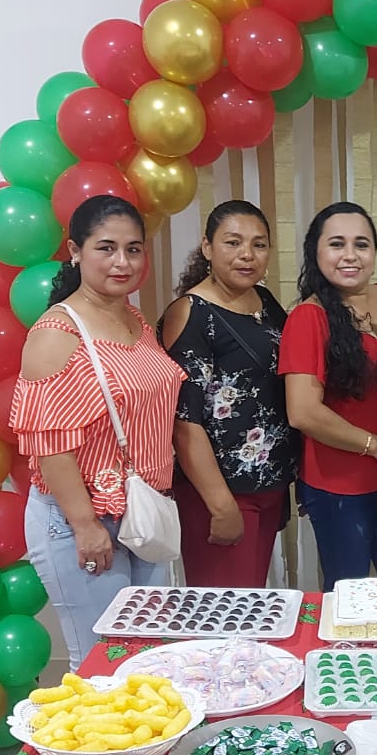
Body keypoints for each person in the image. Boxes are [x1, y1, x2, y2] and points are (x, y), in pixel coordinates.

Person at [11, 195, 186, 669]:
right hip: (81, 520)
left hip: (141, 513)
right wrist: (86, 526)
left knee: (147, 658)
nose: (122, 262)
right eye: (106, 248)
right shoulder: (57, 333)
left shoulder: (135, 319)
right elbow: (49, 442)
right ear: (75, 251)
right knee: (101, 662)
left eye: (134, 249)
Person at [280, 202, 377, 588]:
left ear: (375, 252)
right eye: (337, 244)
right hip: (340, 484)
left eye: (361, 244)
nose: (350, 255)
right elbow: (303, 412)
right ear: (315, 252)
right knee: (348, 595)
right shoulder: (308, 317)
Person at [159, 200, 297, 588]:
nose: (247, 255)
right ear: (207, 247)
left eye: (259, 244)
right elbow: (183, 421)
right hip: (219, 492)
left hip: (268, 484)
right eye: (233, 242)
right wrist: (220, 504)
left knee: (253, 602)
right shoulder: (191, 312)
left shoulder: (265, 302)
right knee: (223, 610)